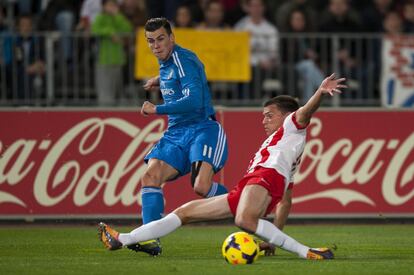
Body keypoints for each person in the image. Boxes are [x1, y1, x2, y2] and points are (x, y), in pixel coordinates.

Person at [98, 73, 347, 260]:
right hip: (254, 184)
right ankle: (123, 239)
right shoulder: (284, 145)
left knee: (245, 221)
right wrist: (272, 240)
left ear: (286, 115)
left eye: (269, 115)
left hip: (263, 178)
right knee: (185, 211)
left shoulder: (293, 124)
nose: (264, 120)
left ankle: (307, 252)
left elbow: (305, 112)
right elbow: (286, 200)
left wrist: (320, 92)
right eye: (263, 115)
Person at [134, 18, 229, 255]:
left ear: (172, 38)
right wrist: (161, 82)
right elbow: (184, 79)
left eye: (160, 39)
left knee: (201, 186)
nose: (156, 45)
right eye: (150, 41)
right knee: (150, 177)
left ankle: (247, 203)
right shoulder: (167, 64)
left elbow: (194, 100)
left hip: (201, 128)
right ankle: (150, 238)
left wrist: (156, 109)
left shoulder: (182, 59)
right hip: (176, 133)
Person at [91, 0, 133, 106]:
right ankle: (103, 111)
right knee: (104, 89)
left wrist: (117, 16)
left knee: (116, 89)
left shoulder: (118, 18)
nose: (112, 7)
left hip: (118, 59)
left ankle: (114, 109)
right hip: (104, 60)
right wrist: (110, 32)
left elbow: (128, 28)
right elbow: (94, 29)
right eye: (109, 5)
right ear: (104, 7)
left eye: (114, 5)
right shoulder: (100, 17)